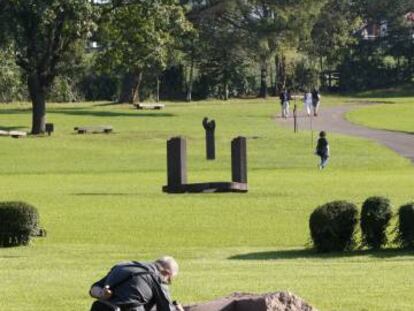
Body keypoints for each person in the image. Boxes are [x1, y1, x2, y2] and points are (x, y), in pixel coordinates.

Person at [89, 256, 184, 311]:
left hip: (101, 307)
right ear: (167, 273)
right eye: (169, 280)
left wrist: (102, 294)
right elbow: (166, 308)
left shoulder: (122, 267)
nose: (167, 282)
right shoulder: (157, 276)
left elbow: (93, 289)